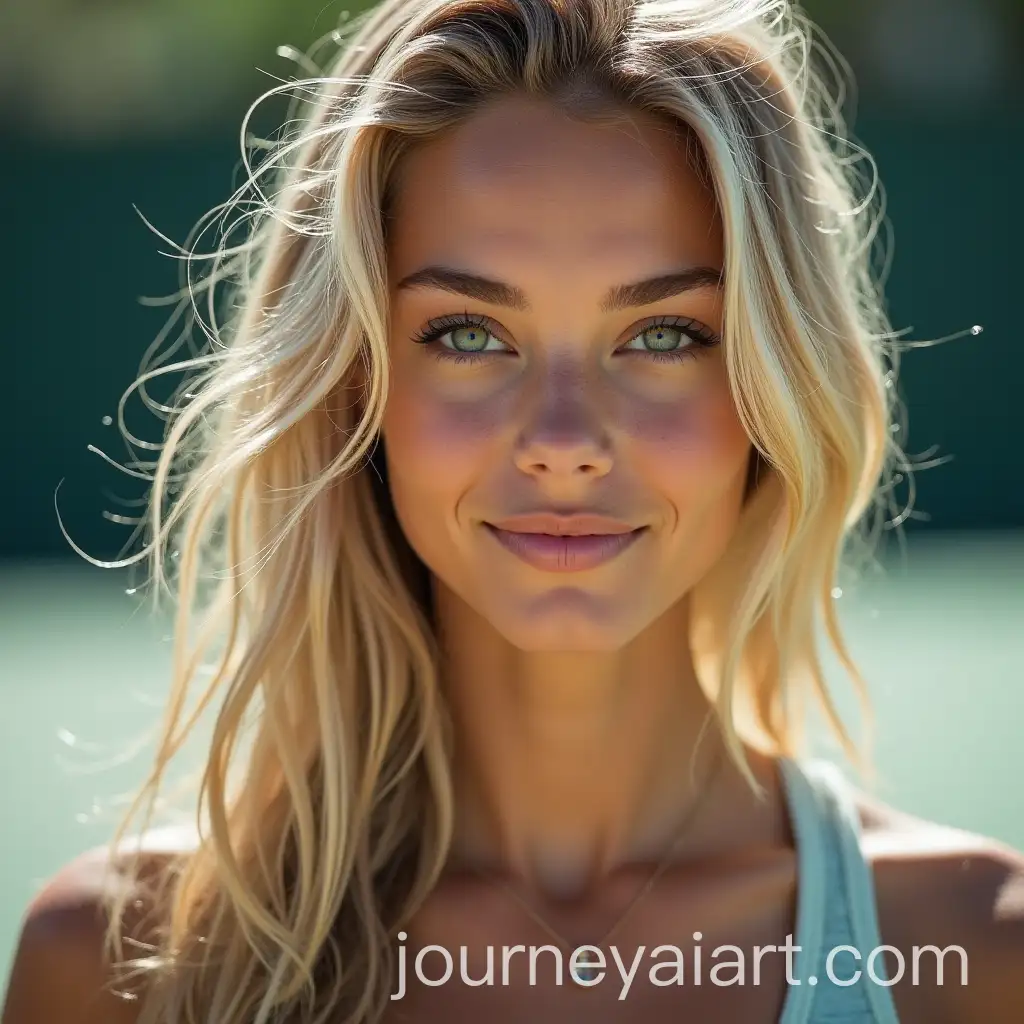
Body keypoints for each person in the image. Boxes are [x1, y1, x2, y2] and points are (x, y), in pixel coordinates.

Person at [3, 0, 1022, 1021]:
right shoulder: (121, 967)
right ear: (358, 385)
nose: (564, 439)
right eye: (466, 332)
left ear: (772, 388)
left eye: (665, 335)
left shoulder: (972, 953)